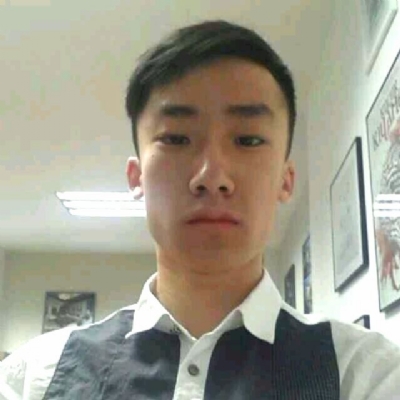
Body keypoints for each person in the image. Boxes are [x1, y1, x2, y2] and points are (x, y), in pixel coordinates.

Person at [1, 19, 400, 400]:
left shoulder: (366, 375)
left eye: (247, 140)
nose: (212, 176)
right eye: (176, 139)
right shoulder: (34, 378)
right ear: (137, 177)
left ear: (286, 179)